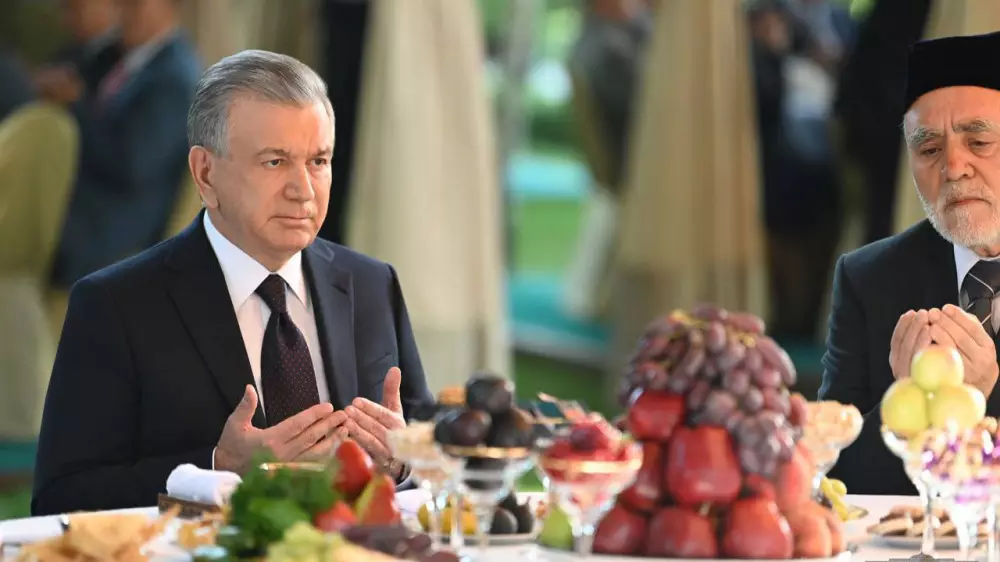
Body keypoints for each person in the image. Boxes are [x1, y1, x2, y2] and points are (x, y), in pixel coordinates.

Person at [32, 50, 434, 515]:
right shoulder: (114, 305)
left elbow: (431, 455)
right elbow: (60, 498)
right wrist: (218, 467)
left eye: (318, 161)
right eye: (275, 162)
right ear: (205, 173)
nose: (303, 190)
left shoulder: (372, 284)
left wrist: (402, 464)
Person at [820, 31, 1000, 495]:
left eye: (979, 142)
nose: (953, 168)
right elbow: (833, 478)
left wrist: (981, 399)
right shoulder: (868, 278)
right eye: (929, 150)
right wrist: (907, 410)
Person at [50, 0, 200, 289]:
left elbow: (129, 163)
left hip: (109, 237)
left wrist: (75, 106)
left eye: (134, 4)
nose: (123, 12)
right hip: (82, 211)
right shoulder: (123, 58)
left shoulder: (174, 79)